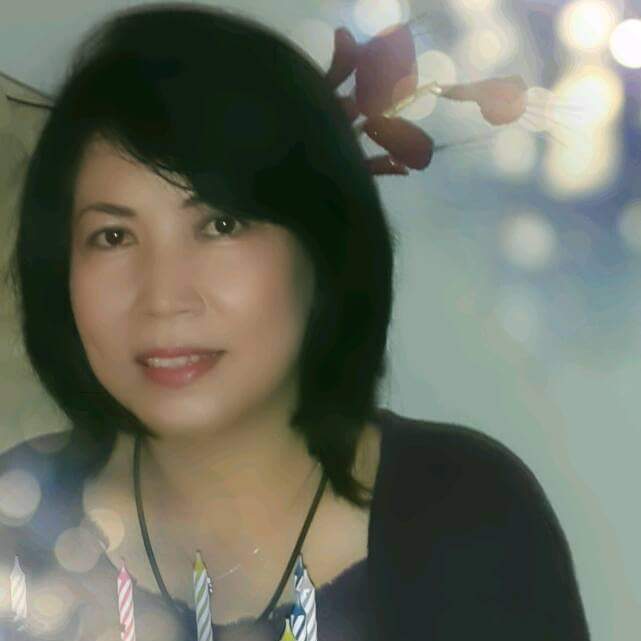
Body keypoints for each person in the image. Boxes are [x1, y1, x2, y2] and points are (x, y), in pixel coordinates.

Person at [0, 3, 591, 640]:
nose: (163, 297)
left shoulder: (467, 515)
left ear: (322, 247)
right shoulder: (16, 526)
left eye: (221, 224)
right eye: (113, 236)